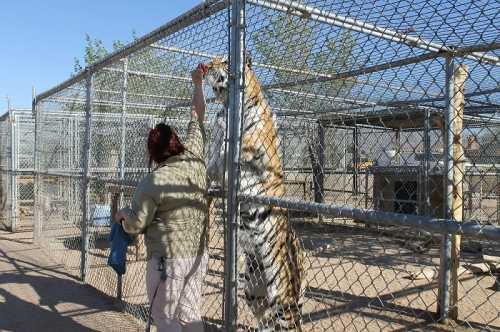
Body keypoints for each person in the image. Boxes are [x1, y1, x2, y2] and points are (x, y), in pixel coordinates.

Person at [114, 64, 209, 332]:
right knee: (191, 313)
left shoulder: (153, 181)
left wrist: (122, 215)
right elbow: (197, 114)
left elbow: (135, 225)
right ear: (177, 141)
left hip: (168, 260)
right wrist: (198, 84)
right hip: (198, 255)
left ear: (154, 154)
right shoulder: (195, 156)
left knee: (165, 318)